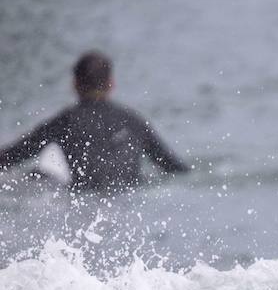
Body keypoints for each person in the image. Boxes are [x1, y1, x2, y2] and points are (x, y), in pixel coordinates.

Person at [0, 52, 189, 192]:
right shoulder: (133, 121)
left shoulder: (64, 122)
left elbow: (14, 156)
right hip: (129, 198)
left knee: (38, 174)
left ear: (74, 84)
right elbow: (175, 168)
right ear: (111, 83)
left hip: (84, 198)